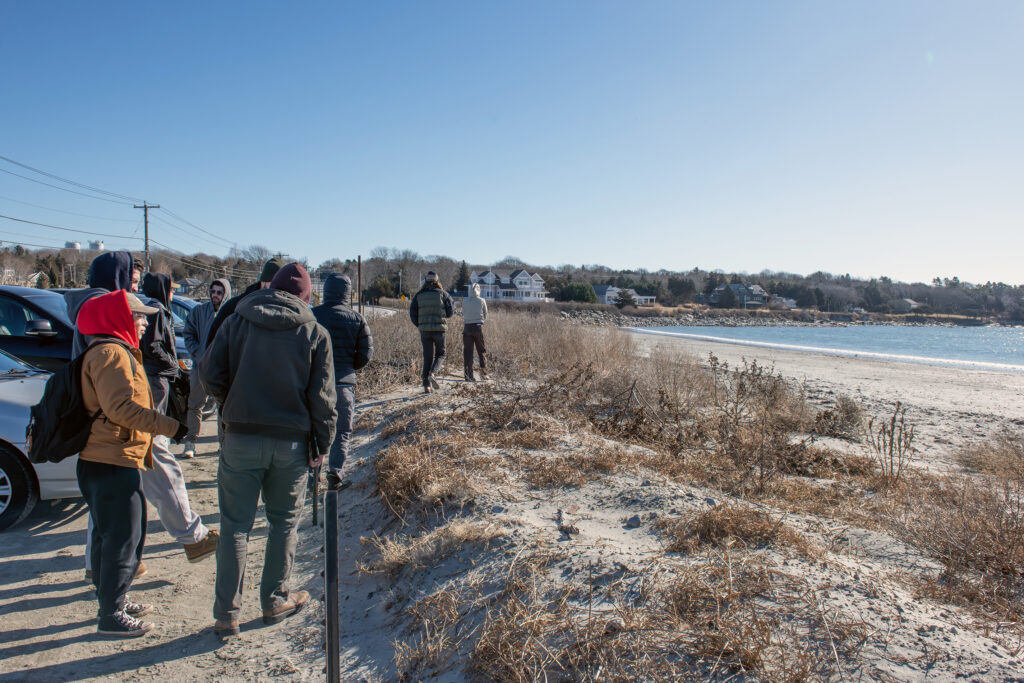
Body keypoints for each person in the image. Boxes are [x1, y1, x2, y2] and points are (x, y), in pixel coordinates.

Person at [200, 262, 337, 639]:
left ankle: (227, 613)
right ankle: (274, 600)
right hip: (291, 445)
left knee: (234, 526)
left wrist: (231, 408)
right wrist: (322, 446)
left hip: (240, 437)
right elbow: (324, 400)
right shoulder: (315, 332)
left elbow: (209, 374)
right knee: (282, 524)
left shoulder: (236, 320)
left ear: (269, 288)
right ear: (307, 296)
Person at [76, 290, 188, 637]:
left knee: (112, 535)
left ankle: (113, 599)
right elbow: (120, 409)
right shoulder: (111, 353)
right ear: (117, 319)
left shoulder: (111, 350)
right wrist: (171, 426)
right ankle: (111, 615)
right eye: (137, 316)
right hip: (110, 461)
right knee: (123, 538)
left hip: (108, 459)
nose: (143, 322)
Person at [139, 273, 219, 564]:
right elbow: (154, 347)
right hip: (150, 397)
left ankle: (100, 562)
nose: (142, 324)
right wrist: (175, 367)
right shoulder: (155, 310)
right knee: (161, 462)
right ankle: (193, 537)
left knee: (121, 488)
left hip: (141, 400)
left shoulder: (97, 311)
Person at [312, 273, 373, 490]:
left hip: (315, 383)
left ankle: (313, 474)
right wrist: (349, 367)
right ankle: (335, 472)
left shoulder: (312, 315)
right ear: (347, 293)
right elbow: (366, 353)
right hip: (343, 383)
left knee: (313, 429)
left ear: (325, 290)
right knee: (342, 430)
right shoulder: (356, 318)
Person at [181, 278, 232, 458]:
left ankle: (223, 444)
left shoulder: (230, 313)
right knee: (195, 405)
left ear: (225, 294)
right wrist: (198, 354)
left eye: (219, 292)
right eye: (213, 291)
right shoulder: (199, 312)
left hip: (222, 369)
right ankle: (190, 442)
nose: (215, 295)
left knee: (222, 407)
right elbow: (188, 334)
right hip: (201, 366)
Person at [205, 257, 287, 348]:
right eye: (274, 283)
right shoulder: (233, 308)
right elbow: (211, 347)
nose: (279, 290)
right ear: (263, 282)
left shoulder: (284, 311)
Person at [409, 271, 454, 394]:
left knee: (427, 357)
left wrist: (420, 325)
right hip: (440, 330)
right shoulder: (444, 294)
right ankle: (433, 373)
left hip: (425, 331)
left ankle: (426, 386)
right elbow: (450, 313)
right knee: (441, 354)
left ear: (425, 281)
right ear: (437, 281)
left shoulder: (418, 295)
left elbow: (412, 314)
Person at [462, 283, 488, 381]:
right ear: (479, 290)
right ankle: (484, 374)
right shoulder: (482, 300)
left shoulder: (465, 300)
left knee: (468, 352)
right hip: (478, 327)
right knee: (481, 351)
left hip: (467, 328)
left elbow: (463, 313)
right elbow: (485, 315)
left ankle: (468, 376)